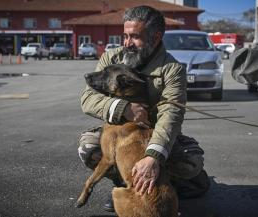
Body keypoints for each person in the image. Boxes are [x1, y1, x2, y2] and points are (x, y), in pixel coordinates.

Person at [78, 5, 210, 212]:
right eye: (125, 36)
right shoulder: (111, 58)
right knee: (88, 149)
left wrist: (153, 157)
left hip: (154, 135)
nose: (127, 43)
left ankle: (166, 183)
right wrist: (123, 108)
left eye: (135, 37)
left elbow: (171, 115)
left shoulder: (172, 69)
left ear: (156, 37)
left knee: (191, 161)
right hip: (120, 135)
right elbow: (88, 98)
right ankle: (124, 182)